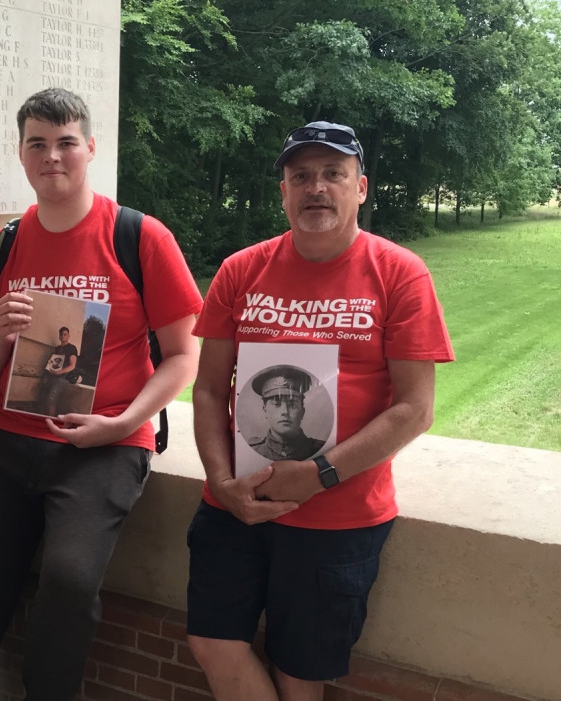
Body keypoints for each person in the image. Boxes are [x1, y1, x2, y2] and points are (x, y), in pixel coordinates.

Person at [0, 87, 203, 701]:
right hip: (9, 436)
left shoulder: (140, 236)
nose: (53, 156)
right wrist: (4, 327)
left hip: (105, 443)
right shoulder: (4, 245)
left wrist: (123, 421)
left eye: (66, 142)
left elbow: (184, 355)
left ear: (90, 148)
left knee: (69, 586)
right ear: (21, 155)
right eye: (38, 144)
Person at [188, 121, 454, 701]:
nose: (316, 187)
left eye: (333, 174)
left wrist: (318, 474)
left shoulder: (400, 273)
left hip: (339, 516)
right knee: (212, 641)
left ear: (360, 187)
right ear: (282, 190)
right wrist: (221, 481)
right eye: (301, 176)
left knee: (299, 671)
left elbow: (415, 409)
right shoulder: (240, 271)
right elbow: (208, 389)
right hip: (235, 503)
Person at [247, 365, 325, 461]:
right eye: (276, 404)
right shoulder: (252, 449)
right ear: (265, 410)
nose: (284, 412)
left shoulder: (322, 449)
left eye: (292, 404)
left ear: (302, 412)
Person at [41, 326, 79, 415]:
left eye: (65, 334)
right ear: (59, 336)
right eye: (61, 334)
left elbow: (72, 366)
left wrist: (60, 372)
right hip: (51, 377)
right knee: (43, 399)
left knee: (51, 399)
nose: (63, 336)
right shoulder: (57, 349)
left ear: (69, 335)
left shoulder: (72, 348)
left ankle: (51, 420)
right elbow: (50, 363)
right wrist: (46, 376)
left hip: (62, 378)